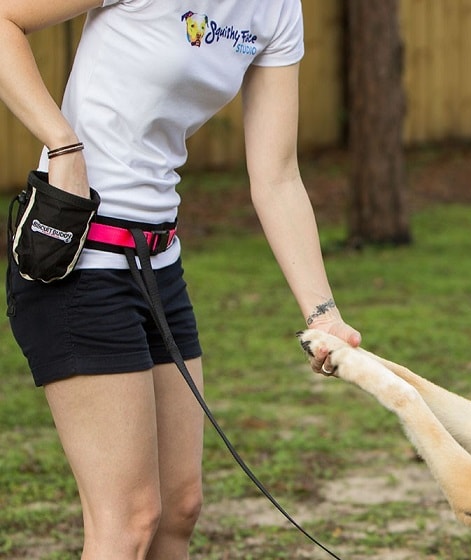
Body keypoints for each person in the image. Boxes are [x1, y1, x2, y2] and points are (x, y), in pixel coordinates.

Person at [0, 1, 360, 559]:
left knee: (178, 508)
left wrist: (321, 312)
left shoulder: (279, 9)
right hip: (80, 260)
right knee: (129, 520)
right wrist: (63, 142)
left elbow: (278, 176)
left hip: (159, 262)